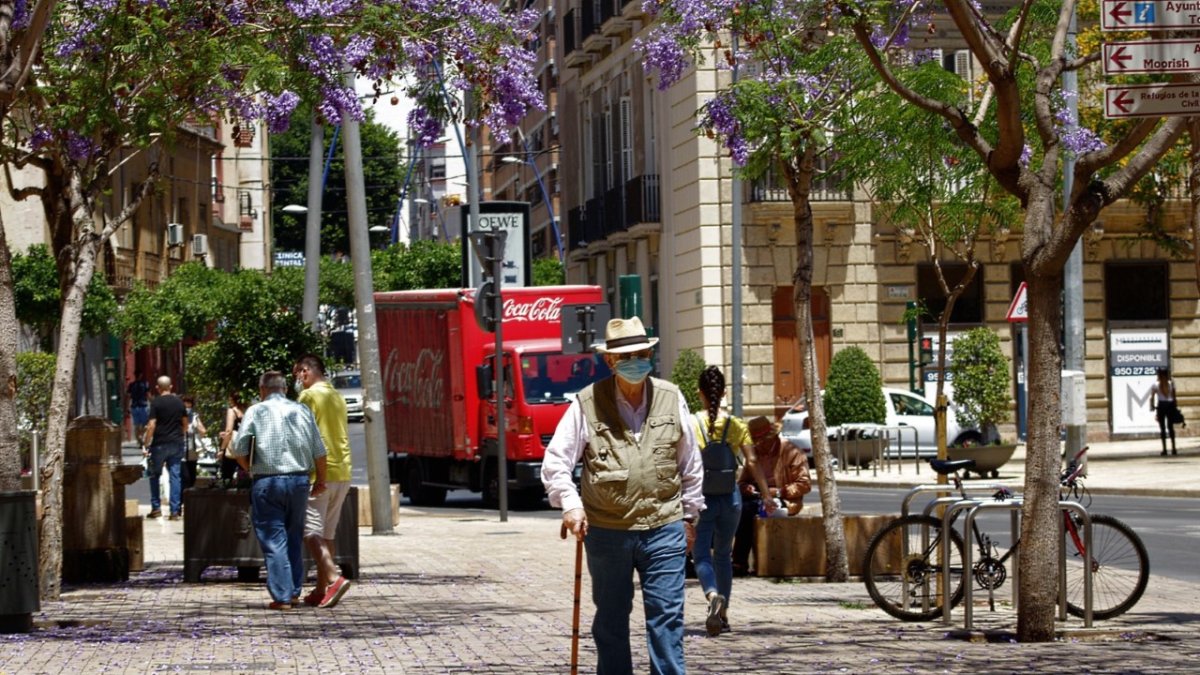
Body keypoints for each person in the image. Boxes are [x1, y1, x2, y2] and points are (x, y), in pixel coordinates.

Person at [541, 316, 704, 675]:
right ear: (610, 362)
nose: (635, 362)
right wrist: (571, 505)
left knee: (667, 621)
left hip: (664, 528)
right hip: (607, 532)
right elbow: (556, 462)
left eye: (641, 353)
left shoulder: (671, 397)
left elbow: (690, 464)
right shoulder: (587, 403)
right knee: (611, 622)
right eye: (626, 357)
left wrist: (690, 518)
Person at [230, 371, 328, 610]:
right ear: (285, 389)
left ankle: (283, 596)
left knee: (274, 539)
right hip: (298, 481)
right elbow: (319, 451)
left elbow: (239, 449)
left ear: (262, 389)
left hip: (268, 481)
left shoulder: (255, 411)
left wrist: (250, 468)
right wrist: (320, 480)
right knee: (294, 535)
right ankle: (293, 592)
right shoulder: (301, 410)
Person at [692, 366, 773, 637]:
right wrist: (767, 495)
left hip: (702, 498)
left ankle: (711, 593)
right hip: (731, 499)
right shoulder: (736, 425)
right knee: (724, 556)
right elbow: (751, 461)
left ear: (700, 393)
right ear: (724, 393)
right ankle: (723, 616)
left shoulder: (693, 424)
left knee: (701, 553)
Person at [294, 354, 353, 608]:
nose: (297, 379)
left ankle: (332, 577)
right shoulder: (336, 396)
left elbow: (301, 435)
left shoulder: (308, 396)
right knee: (327, 533)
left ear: (306, 372)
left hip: (320, 473)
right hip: (343, 470)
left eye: (297, 373)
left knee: (309, 531)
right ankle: (320, 589)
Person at [732, 416, 812, 577]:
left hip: (785, 499)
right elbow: (741, 482)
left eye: (762, 441)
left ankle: (739, 561)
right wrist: (745, 487)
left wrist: (780, 491)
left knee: (749, 510)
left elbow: (804, 484)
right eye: (756, 442)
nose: (759, 445)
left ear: (773, 437)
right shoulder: (753, 455)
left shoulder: (791, 452)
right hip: (758, 496)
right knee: (740, 507)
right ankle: (739, 561)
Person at [141, 376, 188, 520]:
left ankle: (156, 508)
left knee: (155, 475)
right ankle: (175, 511)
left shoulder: (156, 403)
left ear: (157, 387)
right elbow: (185, 423)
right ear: (171, 387)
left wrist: (147, 442)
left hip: (159, 443)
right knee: (175, 476)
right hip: (176, 442)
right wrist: (180, 434)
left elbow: (152, 425)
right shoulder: (179, 402)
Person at [1150, 366, 1181, 456]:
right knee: (1170, 427)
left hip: (1162, 406)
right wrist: (1175, 407)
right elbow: (1174, 397)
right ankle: (1174, 448)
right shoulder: (1171, 383)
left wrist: (1152, 406)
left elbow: (1152, 397)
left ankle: (1164, 449)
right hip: (1170, 405)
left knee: (1162, 428)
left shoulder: (1155, 384)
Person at [217, 392, 246, 483]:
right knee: (244, 475)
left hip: (233, 447)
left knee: (227, 476)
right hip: (245, 446)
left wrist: (222, 449)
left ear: (233, 399)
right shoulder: (247, 410)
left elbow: (229, 431)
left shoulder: (232, 411)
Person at [181, 395, 208, 490]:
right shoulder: (177, 417)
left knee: (192, 476)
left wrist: (196, 424)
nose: (187, 408)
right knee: (185, 477)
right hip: (182, 451)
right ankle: (182, 499)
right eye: (185, 406)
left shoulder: (195, 417)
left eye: (189, 405)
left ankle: (189, 499)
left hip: (192, 451)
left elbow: (203, 431)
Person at [128, 371, 151, 443]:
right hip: (143, 405)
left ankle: (139, 438)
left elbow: (128, 397)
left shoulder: (131, 385)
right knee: (145, 424)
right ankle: (142, 436)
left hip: (134, 406)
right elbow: (148, 395)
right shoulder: (145, 384)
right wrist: (152, 403)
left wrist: (127, 407)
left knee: (136, 425)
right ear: (141, 375)